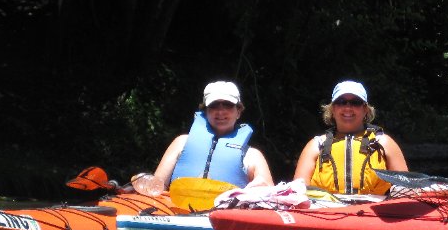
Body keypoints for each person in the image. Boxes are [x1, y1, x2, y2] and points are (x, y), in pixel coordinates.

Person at [132, 81, 273, 196]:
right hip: (178, 214)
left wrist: (260, 189)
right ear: (205, 111)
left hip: (225, 219)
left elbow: (270, 195)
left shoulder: (253, 156)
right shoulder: (181, 143)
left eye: (228, 105)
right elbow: (157, 186)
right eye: (214, 105)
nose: (220, 112)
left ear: (239, 111)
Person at [294, 80, 408, 195]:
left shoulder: (384, 143)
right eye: (341, 102)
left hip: (375, 210)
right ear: (333, 109)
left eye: (356, 102)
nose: (348, 108)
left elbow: (406, 190)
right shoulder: (316, 145)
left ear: (365, 109)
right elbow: (298, 192)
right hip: (326, 209)